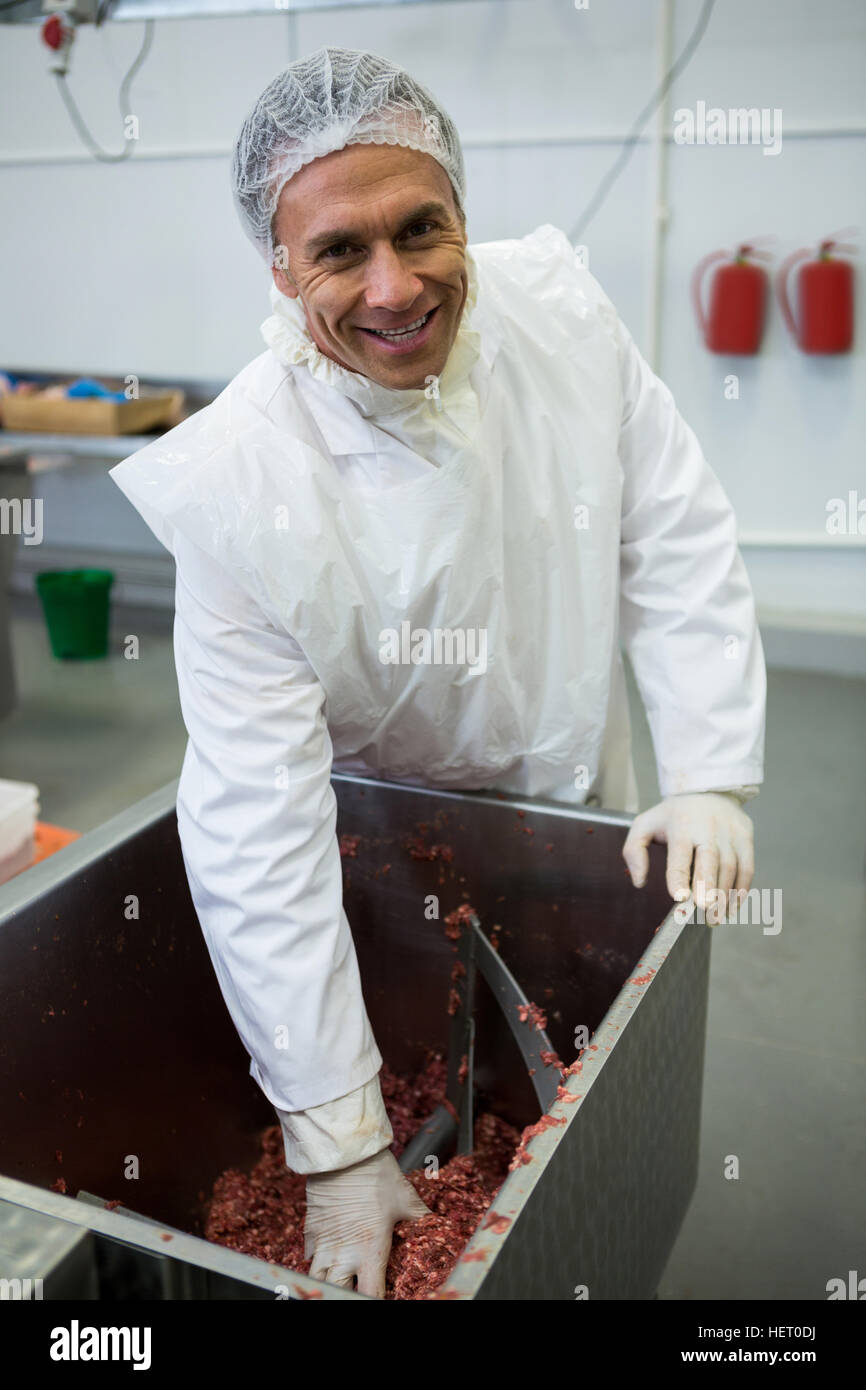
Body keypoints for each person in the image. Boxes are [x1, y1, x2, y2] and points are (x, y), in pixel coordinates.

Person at [110, 46, 765, 1297]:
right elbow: (254, 817)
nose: (395, 286)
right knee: (421, 1042)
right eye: (339, 251)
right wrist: (339, 1140)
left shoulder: (559, 319)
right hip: (378, 843)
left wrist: (708, 768)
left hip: (566, 787)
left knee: (566, 1095)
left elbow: (670, 525)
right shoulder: (241, 485)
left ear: (463, 210)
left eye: (422, 229)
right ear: (277, 266)